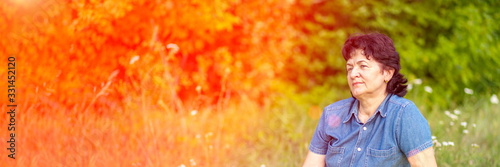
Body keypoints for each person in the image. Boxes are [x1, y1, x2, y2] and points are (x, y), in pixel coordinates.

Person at [302, 33, 437, 167]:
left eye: (363, 66)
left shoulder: (404, 114)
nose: (353, 74)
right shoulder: (331, 114)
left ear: (387, 73)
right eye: (349, 68)